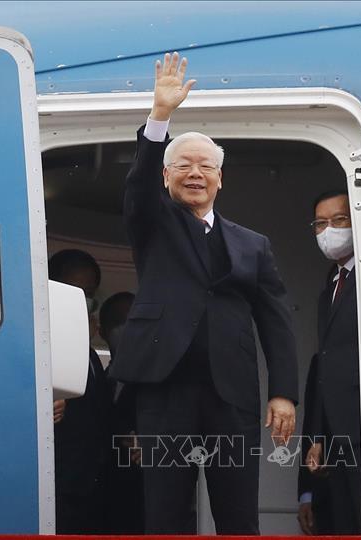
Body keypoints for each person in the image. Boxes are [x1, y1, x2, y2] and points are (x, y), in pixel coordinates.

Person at [108, 52, 299, 534]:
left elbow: (276, 321)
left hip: (230, 392)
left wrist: (282, 393)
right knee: (166, 513)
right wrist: (160, 117)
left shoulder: (252, 245)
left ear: (219, 177)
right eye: (184, 166)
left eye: (206, 166)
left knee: (237, 513)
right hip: (164, 387)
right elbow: (137, 189)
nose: (196, 173)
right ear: (166, 176)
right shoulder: (153, 223)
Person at [297, 189, 361, 535]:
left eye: (339, 221)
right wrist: (319, 438)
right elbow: (324, 370)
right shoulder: (330, 289)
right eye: (321, 223)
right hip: (335, 440)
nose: (329, 230)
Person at [49, 249, 111, 534]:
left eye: (88, 293)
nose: (82, 300)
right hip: (56, 482)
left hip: (90, 481)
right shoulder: (37, 340)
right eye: (74, 290)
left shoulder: (92, 355)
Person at [99, 291, 144, 534]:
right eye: (118, 321)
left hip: (146, 505)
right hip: (102, 505)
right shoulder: (95, 380)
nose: (126, 329)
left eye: (134, 320)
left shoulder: (162, 382)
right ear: (102, 331)